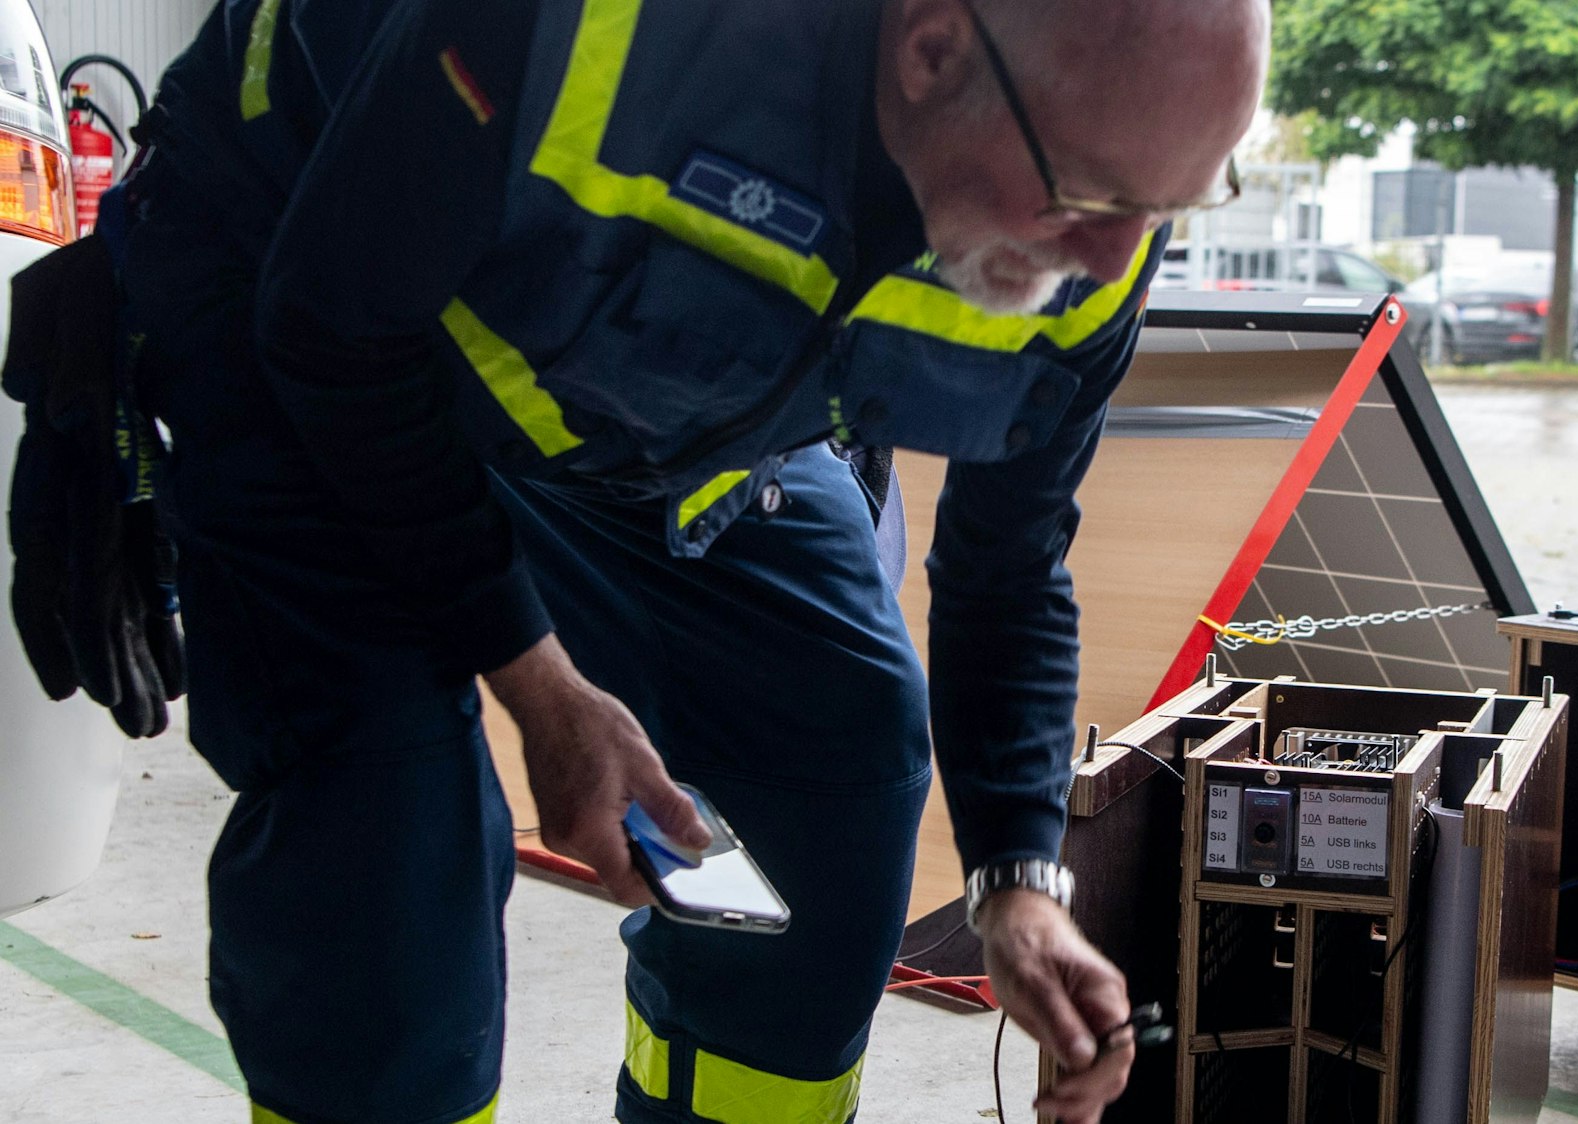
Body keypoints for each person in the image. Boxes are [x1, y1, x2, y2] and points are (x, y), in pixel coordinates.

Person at [111, 1, 1267, 1121]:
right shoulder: (591, 29)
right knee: (390, 829)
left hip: (639, 410)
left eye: (1174, 200)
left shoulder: (1099, 231)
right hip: (312, 302)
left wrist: (1020, 878)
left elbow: (1010, 562)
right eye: (1090, 191)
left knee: (840, 763)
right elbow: (336, 336)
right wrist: (543, 683)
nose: (1111, 256)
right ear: (930, 48)